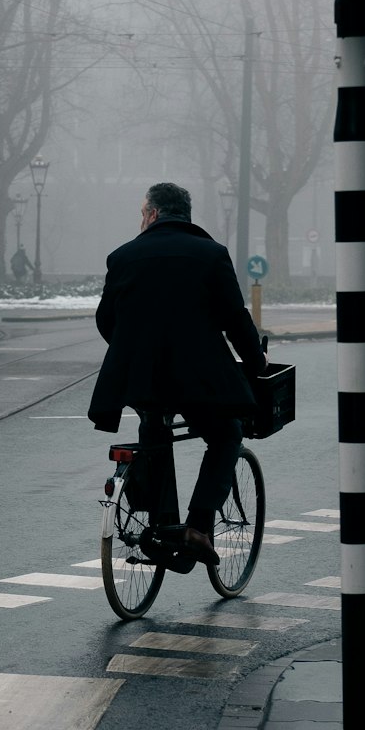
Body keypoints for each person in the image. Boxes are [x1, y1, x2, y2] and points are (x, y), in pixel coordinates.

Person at [88, 181, 266, 565]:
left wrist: (134, 351)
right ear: (184, 216)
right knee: (225, 433)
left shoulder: (122, 257)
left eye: (141, 214)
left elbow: (106, 321)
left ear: (152, 214)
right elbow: (235, 319)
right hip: (197, 379)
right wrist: (256, 364)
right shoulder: (211, 254)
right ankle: (196, 528)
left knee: (154, 429)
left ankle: (158, 522)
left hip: (142, 380)